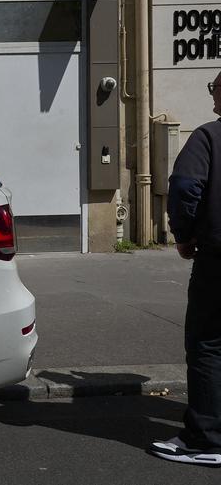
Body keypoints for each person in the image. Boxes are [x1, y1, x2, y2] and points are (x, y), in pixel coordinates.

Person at [149, 70, 221, 466]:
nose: (212, 95)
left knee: (208, 344)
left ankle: (207, 440)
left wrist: (184, 234)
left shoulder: (209, 137)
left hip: (218, 258)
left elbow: (184, 188)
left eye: (216, 88)